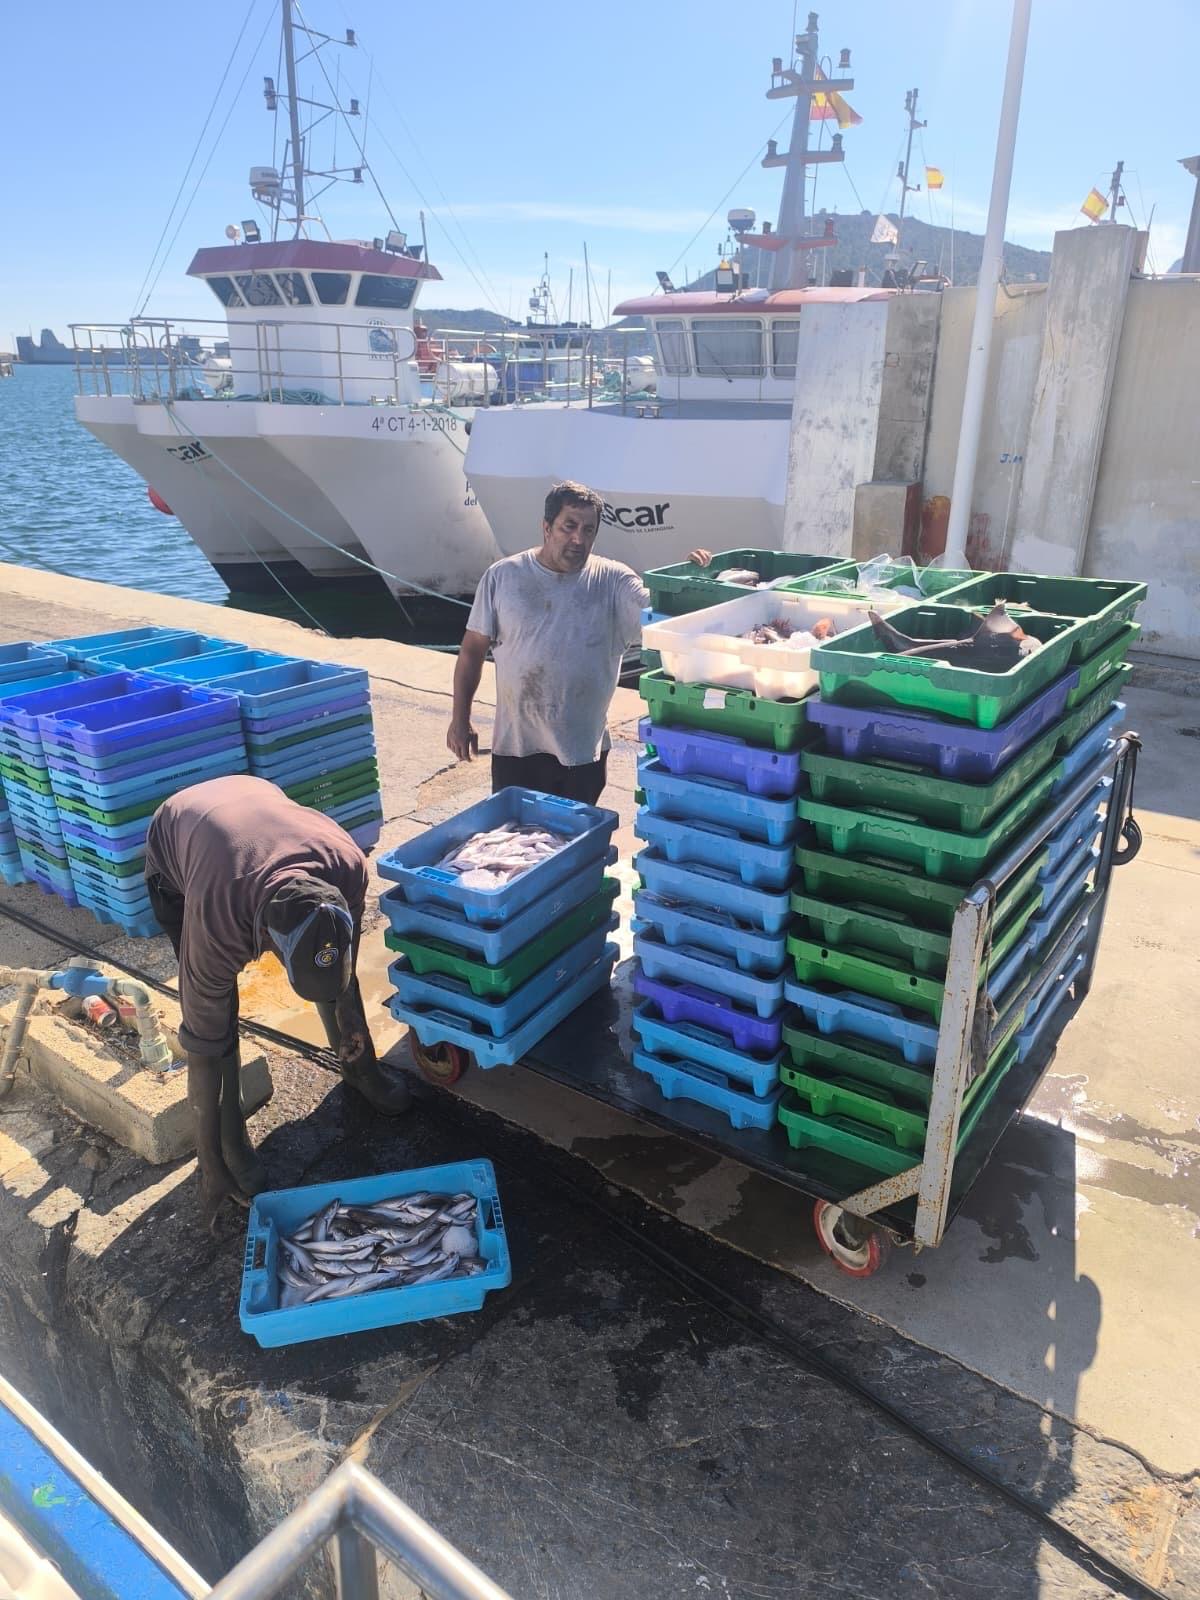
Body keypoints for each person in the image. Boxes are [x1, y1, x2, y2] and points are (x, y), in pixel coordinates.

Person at [144, 774, 411, 1228]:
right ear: (266, 941)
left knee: (335, 973)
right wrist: (207, 1161)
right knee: (217, 1021)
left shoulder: (347, 868)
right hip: (179, 846)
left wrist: (350, 1022)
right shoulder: (218, 924)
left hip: (254, 806)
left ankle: (361, 1070)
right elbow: (202, 1051)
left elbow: (340, 960)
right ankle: (230, 1145)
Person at [447, 481, 705, 804]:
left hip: (582, 753)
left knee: (577, 834)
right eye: (568, 526)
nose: (578, 539)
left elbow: (662, 617)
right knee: (514, 833)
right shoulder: (502, 577)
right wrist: (460, 719)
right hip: (516, 749)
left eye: (588, 530)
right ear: (546, 527)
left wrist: (688, 580)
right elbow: (472, 649)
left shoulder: (614, 580)